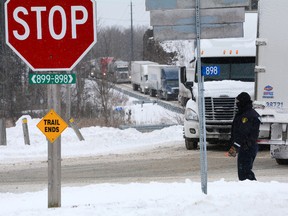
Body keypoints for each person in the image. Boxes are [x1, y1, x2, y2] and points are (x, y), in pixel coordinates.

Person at [227, 92, 261, 181]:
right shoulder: (245, 113)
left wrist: (234, 148)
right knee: (244, 171)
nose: (236, 104)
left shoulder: (247, 115)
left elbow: (242, 133)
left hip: (247, 147)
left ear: (243, 101)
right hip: (247, 147)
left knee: (245, 172)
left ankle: (253, 189)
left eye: (238, 101)